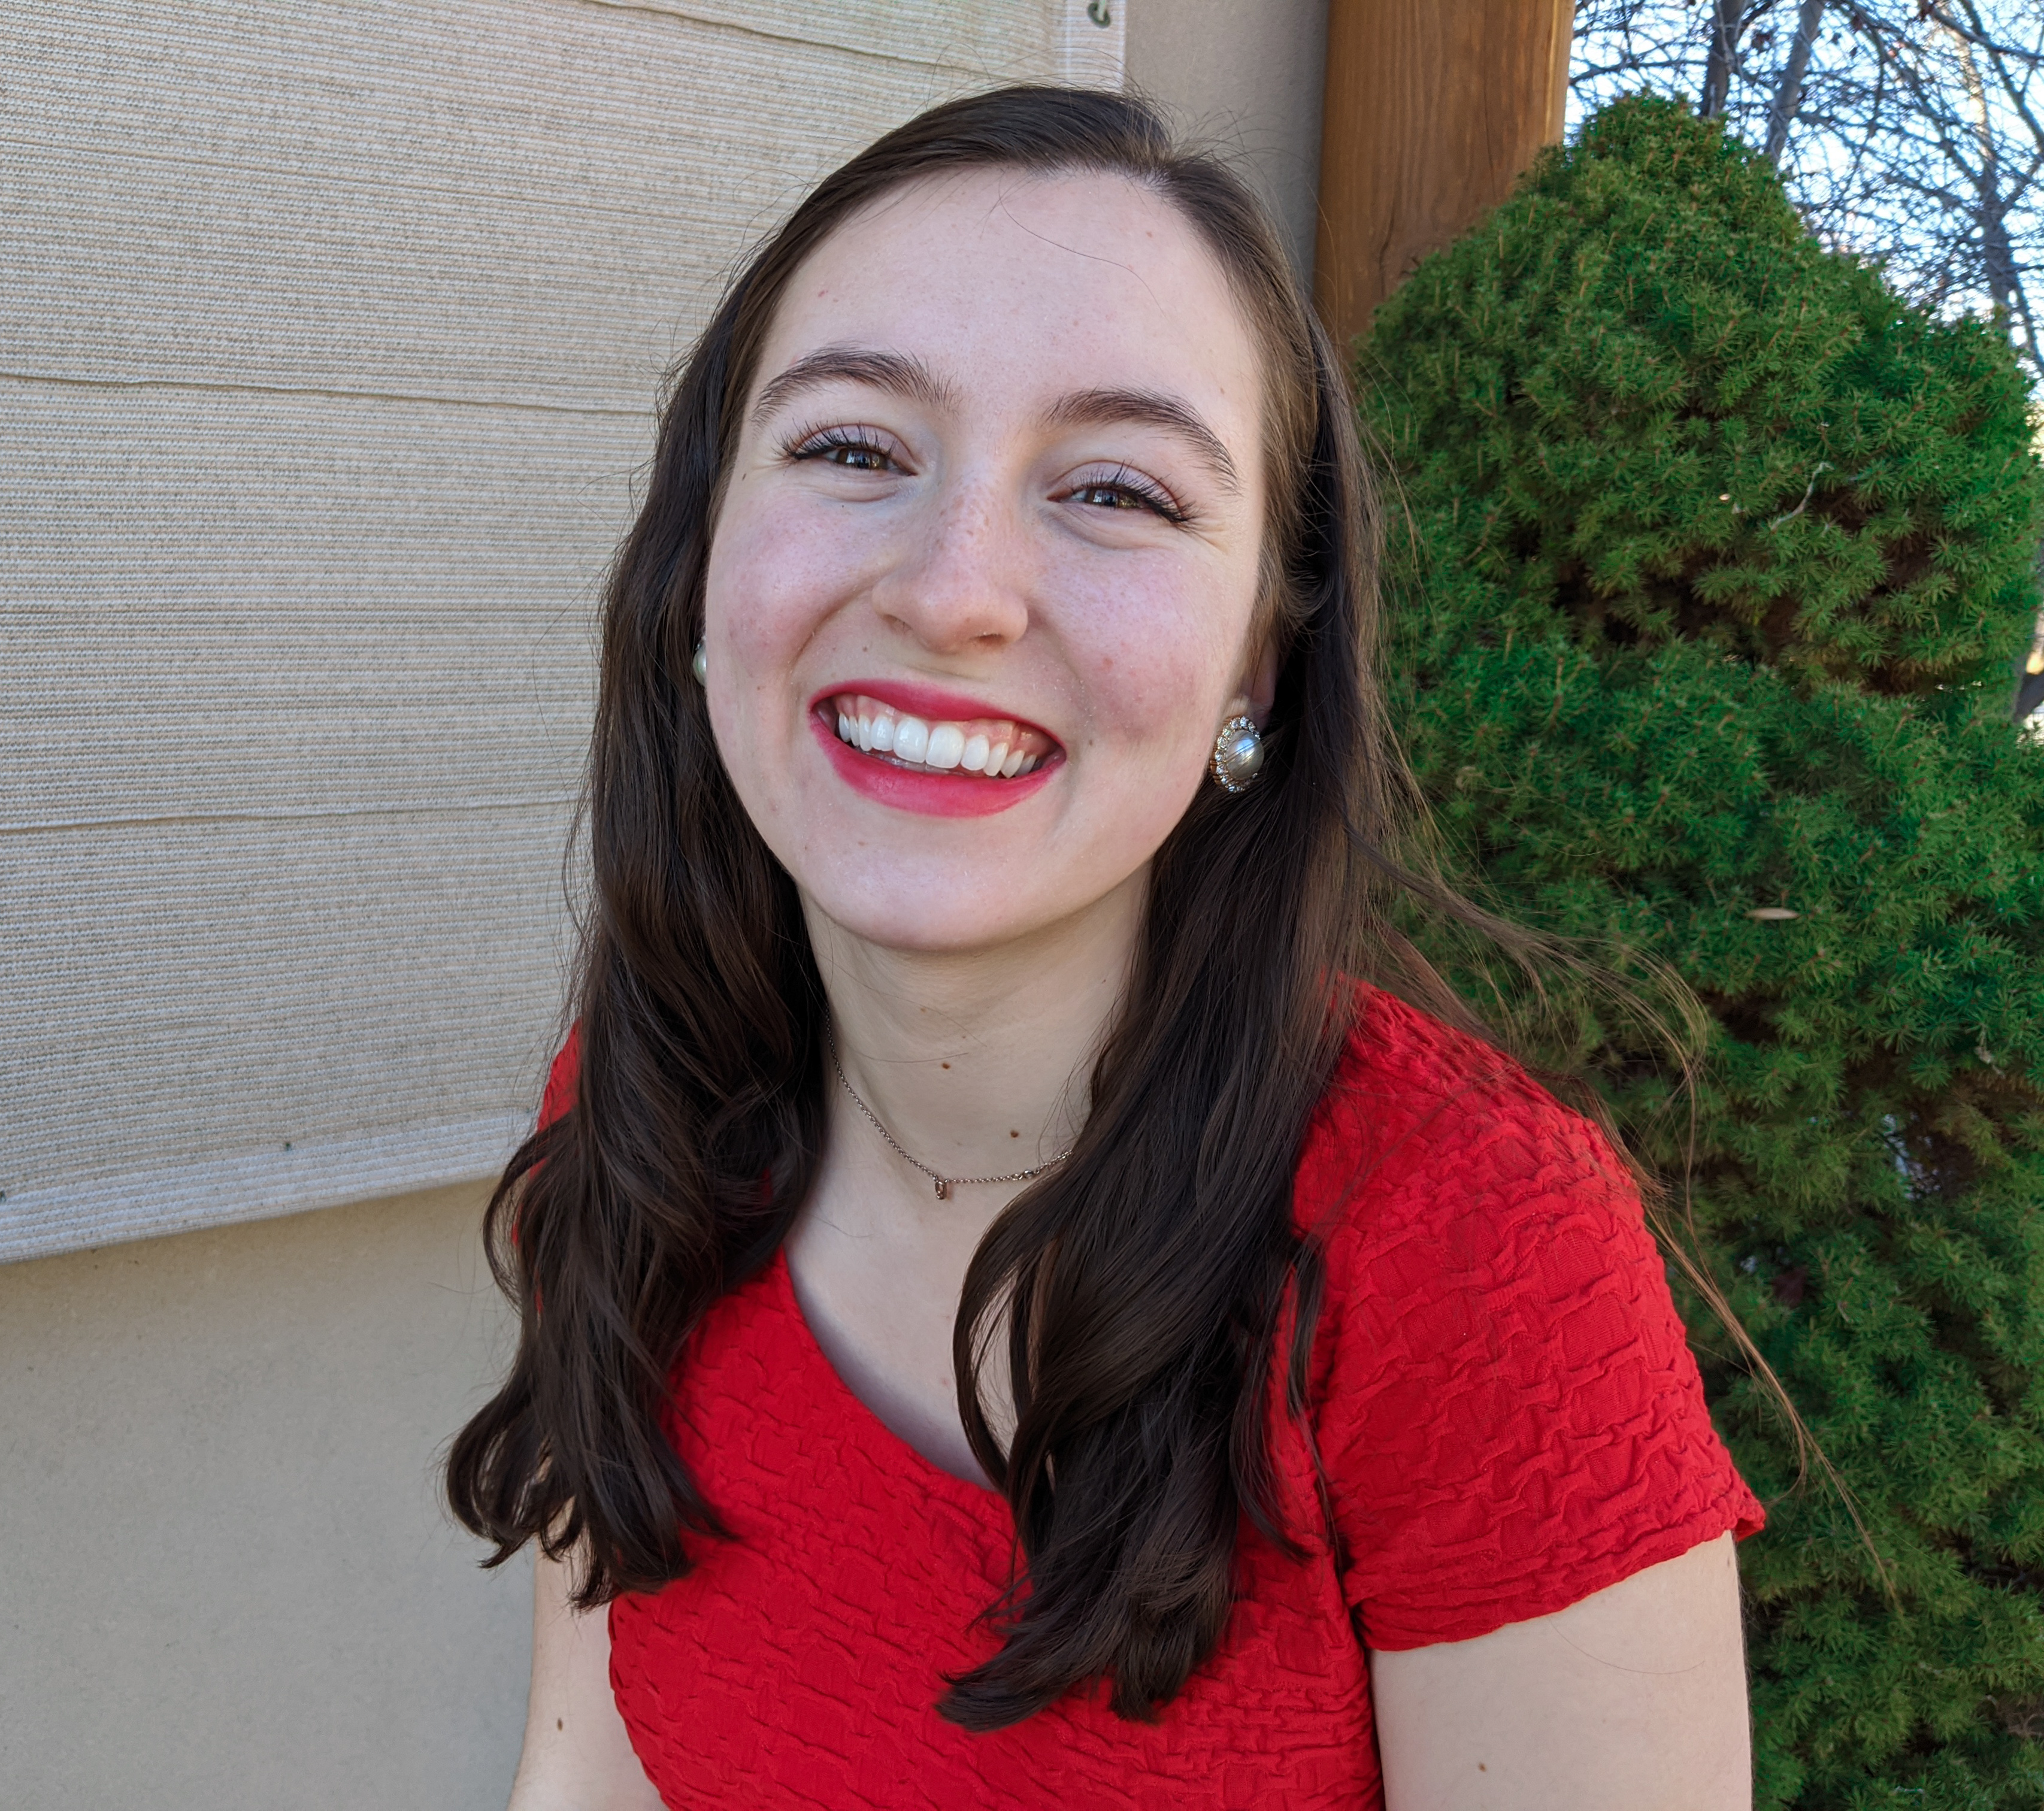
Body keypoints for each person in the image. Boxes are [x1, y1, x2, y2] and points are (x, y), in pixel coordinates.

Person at [447, 85, 1762, 1810]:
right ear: (705, 567)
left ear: (1257, 664)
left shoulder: (1467, 1254)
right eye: (852, 450)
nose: (952, 590)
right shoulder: (641, 1107)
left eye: (1119, 489)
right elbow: (584, 1770)